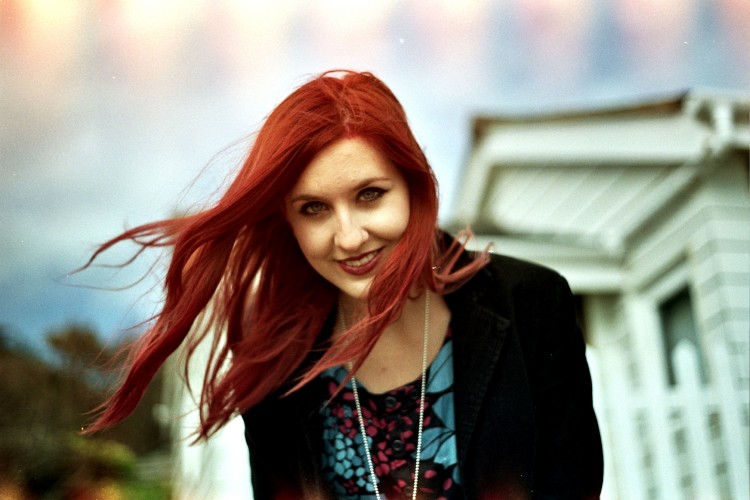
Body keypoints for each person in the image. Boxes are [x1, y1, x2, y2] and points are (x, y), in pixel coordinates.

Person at [85, 70, 603, 499]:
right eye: (314, 208)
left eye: (370, 194)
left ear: (414, 185)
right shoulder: (272, 358)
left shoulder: (530, 303)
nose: (350, 237)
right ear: (288, 222)